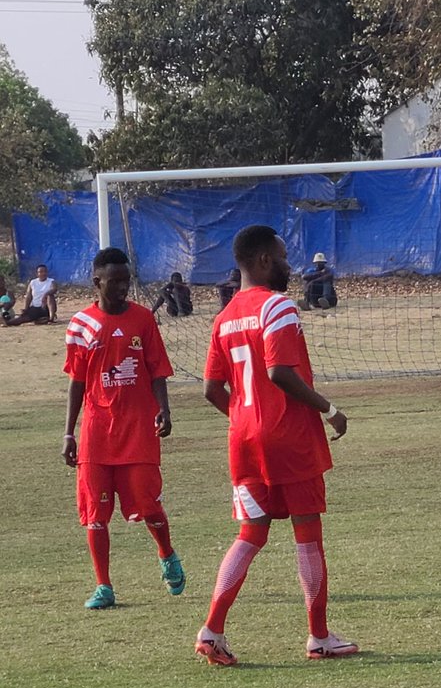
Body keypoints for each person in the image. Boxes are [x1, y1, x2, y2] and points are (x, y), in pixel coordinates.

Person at [197, 224, 357, 665]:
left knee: (251, 533)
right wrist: (329, 409)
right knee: (307, 532)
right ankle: (319, 636)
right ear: (265, 260)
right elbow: (279, 372)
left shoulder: (224, 317)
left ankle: (212, 629)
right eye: (284, 257)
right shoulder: (278, 306)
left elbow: (212, 389)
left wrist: (247, 419)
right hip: (288, 435)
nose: (290, 265)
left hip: (243, 439)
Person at [62, 247, 186, 610]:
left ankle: (167, 554)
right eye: (114, 281)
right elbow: (76, 382)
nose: (121, 287)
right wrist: (69, 432)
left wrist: (163, 409)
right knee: (95, 515)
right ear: (96, 281)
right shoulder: (80, 325)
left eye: (125, 281)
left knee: (148, 506)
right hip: (97, 432)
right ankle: (104, 586)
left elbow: (157, 369)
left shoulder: (144, 320)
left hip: (138, 429)